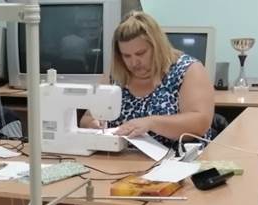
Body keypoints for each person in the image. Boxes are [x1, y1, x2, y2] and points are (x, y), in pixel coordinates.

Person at [81, 11, 215, 148]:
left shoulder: (188, 70)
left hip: (177, 157)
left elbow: (200, 122)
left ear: (157, 47)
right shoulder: (115, 75)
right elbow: (87, 118)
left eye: (140, 53)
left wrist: (151, 123)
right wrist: (93, 124)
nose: (134, 63)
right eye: (126, 56)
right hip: (123, 158)